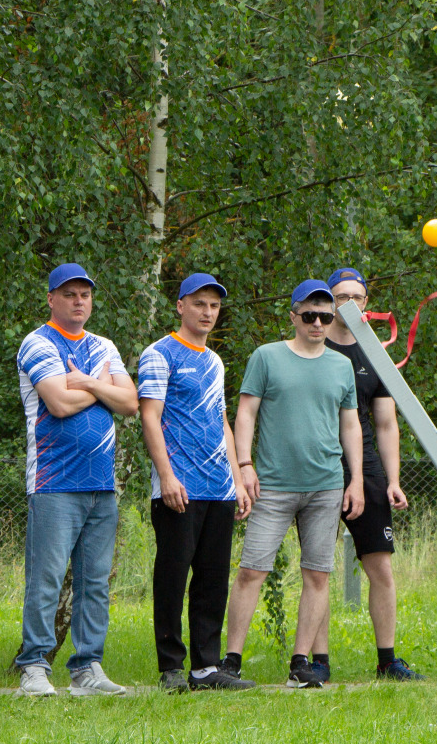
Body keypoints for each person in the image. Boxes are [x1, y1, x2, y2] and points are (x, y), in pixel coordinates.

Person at [223, 280, 364, 688]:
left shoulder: (340, 366)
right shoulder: (267, 357)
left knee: (317, 574)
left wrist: (355, 480)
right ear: (293, 317)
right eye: (309, 315)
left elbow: (350, 424)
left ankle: (301, 662)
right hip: (273, 485)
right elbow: (245, 413)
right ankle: (231, 660)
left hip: (325, 484)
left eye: (325, 316)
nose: (317, 323)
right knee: (252, 570)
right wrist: (245, 464)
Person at [14, 263, 139, 697]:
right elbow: (59, 404)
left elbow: (131, 402)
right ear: (51, 299)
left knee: (95, 582)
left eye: (84, 294)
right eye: (69, 294)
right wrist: (103, 386)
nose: (78, 301)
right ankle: (33, 666)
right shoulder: (38, 342)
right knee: (46, 578)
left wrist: (86, 380)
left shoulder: (103, 345)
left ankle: (87, 668)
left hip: (101, 484)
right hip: (53, 481)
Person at [138, 273, 255, 694]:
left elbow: (220, 419)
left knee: (211, 579)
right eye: (200, 304)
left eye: (214, 306)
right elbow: (149, 416)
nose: (208, 313)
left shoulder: (214, 360)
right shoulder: (159, 354)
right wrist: (166, 476)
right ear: (180, 306)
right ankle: (171, 666)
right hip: (178, 488)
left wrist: (238, 478)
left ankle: (207, 667)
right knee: (172, 576)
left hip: (217, 488)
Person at [323, 267, 421, 681]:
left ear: (367, 303)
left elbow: (386, 424)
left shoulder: (375, 356)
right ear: (328, 302)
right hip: (320, 469)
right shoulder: (313, 344)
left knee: (379, 567)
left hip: (368, 469)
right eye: (340, 296)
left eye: (356, 297)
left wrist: (393, 480)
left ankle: (387, 661)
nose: (349, 304)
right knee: (317, 568)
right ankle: (315, 663)